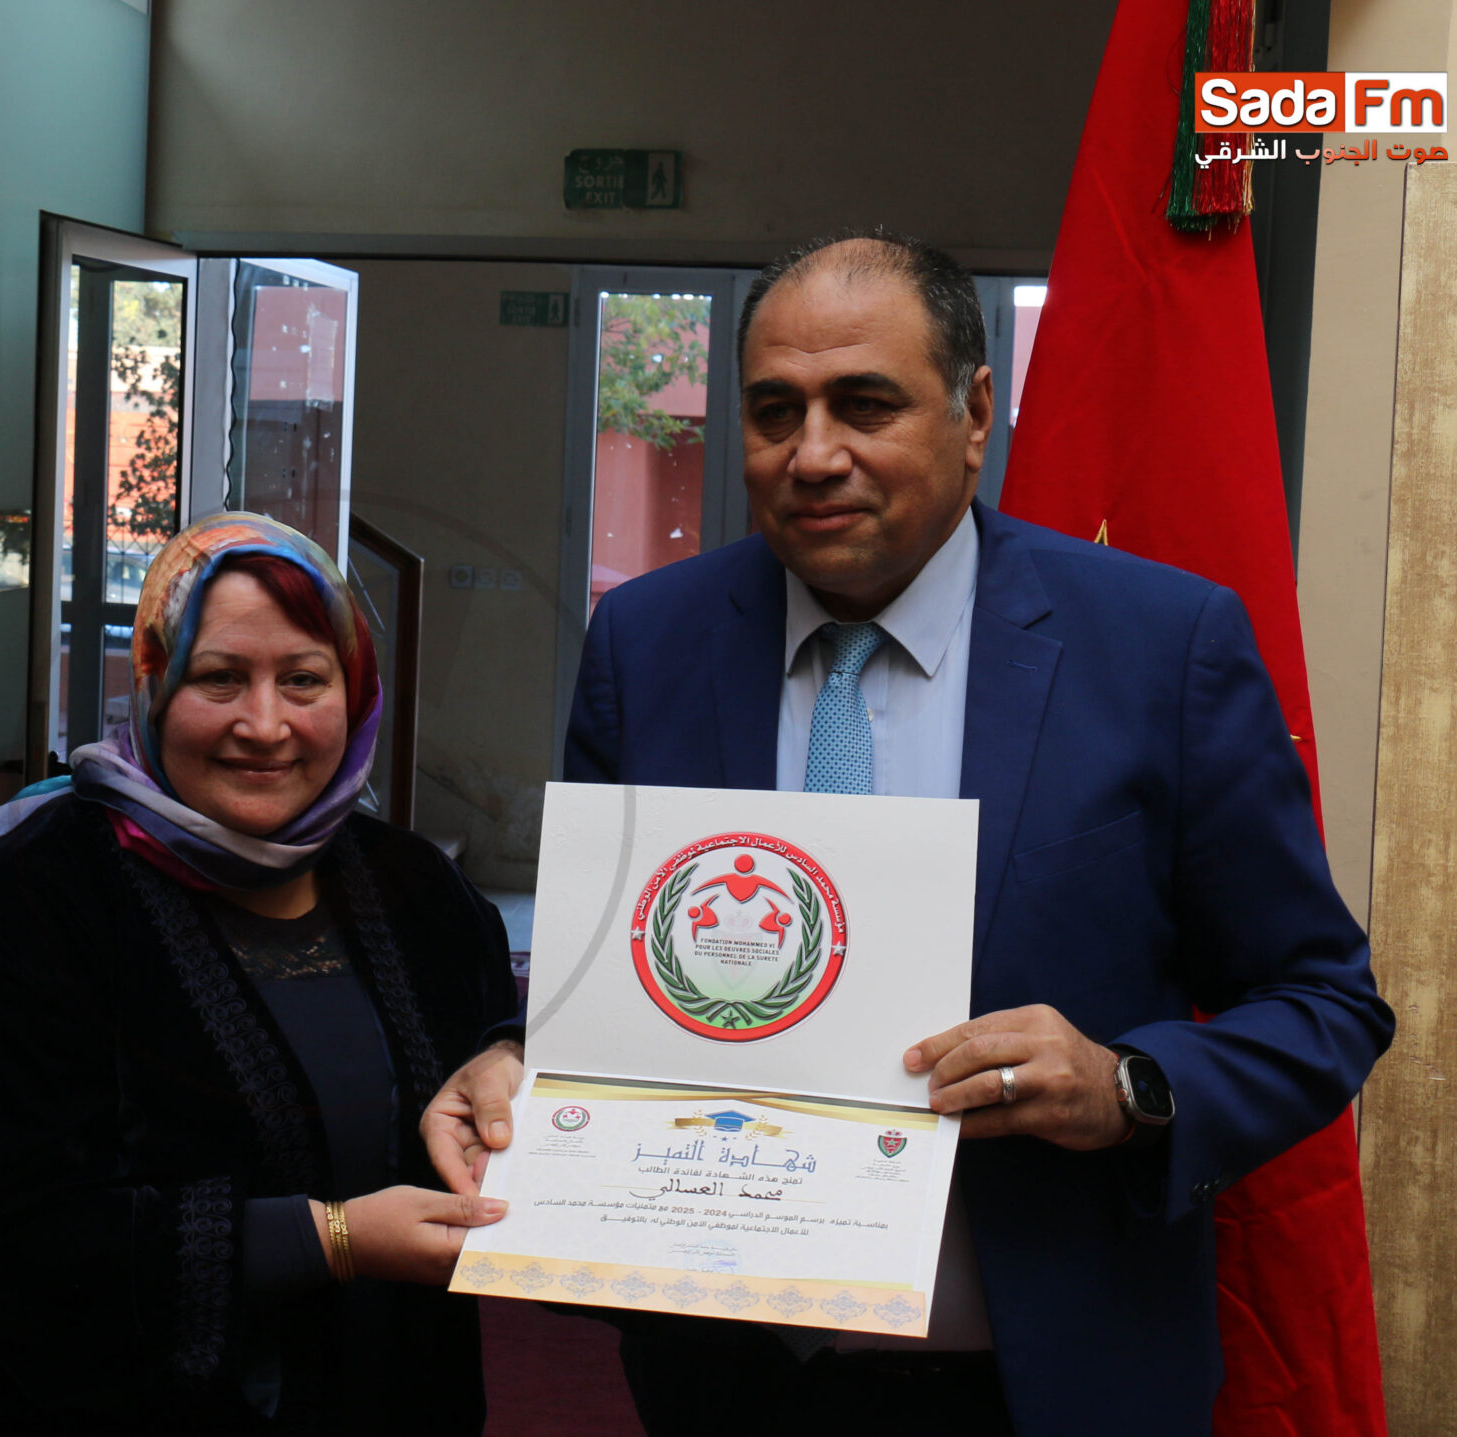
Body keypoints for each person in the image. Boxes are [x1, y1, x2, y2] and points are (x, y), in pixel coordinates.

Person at [420, 232, 1392, 1435]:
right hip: (733, 1386)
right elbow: (620, 973)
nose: (812, 454)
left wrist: (1128, 1086)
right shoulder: (648, 642)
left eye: (865, 404)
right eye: (774, 412)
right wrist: (520, 1057)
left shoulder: (1157, 646)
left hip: (1045, 1386)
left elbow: (1321, 1001)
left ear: (974, 414)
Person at [0, 515, 514, 1433]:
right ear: (153, 685)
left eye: (304, 679)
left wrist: (509, 1056)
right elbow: (13, 1237)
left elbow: (501, 1041)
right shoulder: (31, 903)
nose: (264, 725)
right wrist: (333, 1238)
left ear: (354, 692)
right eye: (219, 677)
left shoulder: (417, 887)